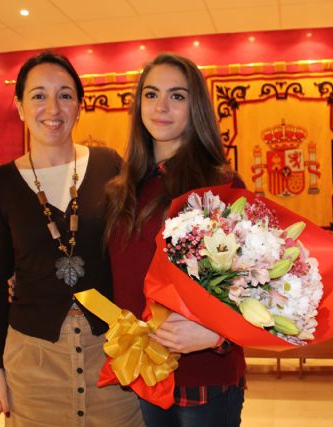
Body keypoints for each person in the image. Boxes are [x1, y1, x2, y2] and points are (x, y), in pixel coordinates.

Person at [0, 51, 144, 427]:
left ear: (80, 107)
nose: (52, 108)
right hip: (32, 358)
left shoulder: (109, 165)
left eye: (65, 95)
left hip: (112, 352)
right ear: (19, 106)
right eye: (38, 95)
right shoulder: (0, 183)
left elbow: (134, 252)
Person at [105, 53, 246, 427]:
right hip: (145, 370)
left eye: (177, 96)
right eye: (151, 94)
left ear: (195, 106)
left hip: (205, 376)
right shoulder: (122, 189)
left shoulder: (220, 184)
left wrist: (217, 334)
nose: (161, 107)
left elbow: (254, 282)